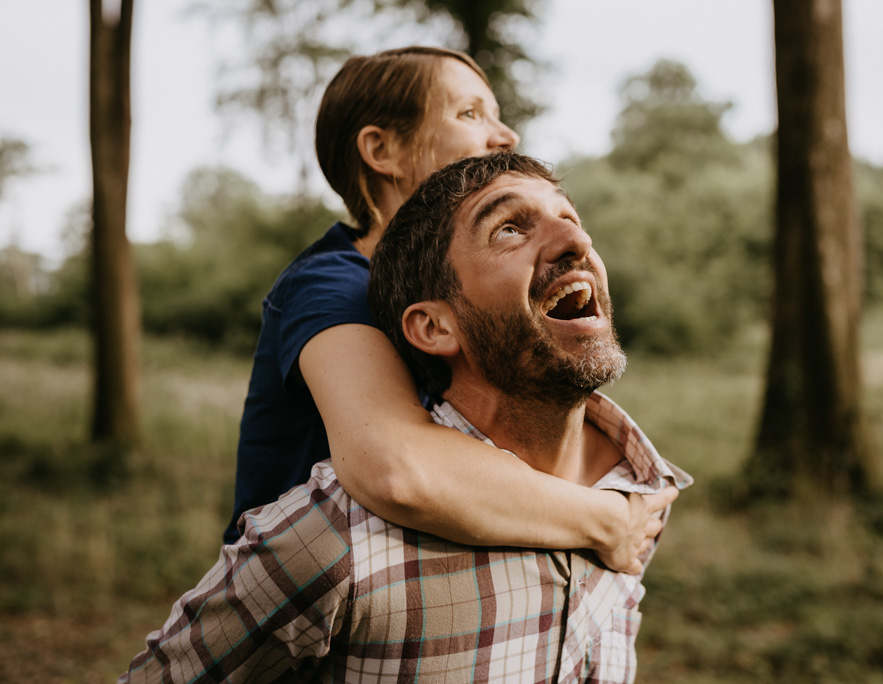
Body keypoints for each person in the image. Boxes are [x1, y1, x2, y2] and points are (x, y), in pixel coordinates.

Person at [120, 152, 692, 683]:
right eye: (510, 228)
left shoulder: (641, 493)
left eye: (571, 218)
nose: (577, 239)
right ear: (435, 327)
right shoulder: (334, 540)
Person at [226, 46, 674, 573]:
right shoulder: (332, 285)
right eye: (469, 113)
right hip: (302, 601)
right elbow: (395, 466)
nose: (506, 136)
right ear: (381, 149)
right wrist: (608, 520)